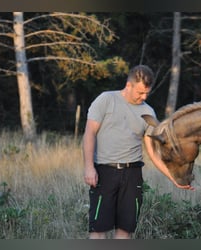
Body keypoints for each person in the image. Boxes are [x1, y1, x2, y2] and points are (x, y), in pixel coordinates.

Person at [83, 65, 193, 239]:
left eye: (147, 93)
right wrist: (89, 167)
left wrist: (174, 178)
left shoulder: (148, 112)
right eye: (140, 92)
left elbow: (152, 152)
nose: (144, 97)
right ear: (129, 85)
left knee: (125, 229)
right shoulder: (106, 99)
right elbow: (89, 133)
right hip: (105, 172)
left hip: (133, 175)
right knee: (98, 229)